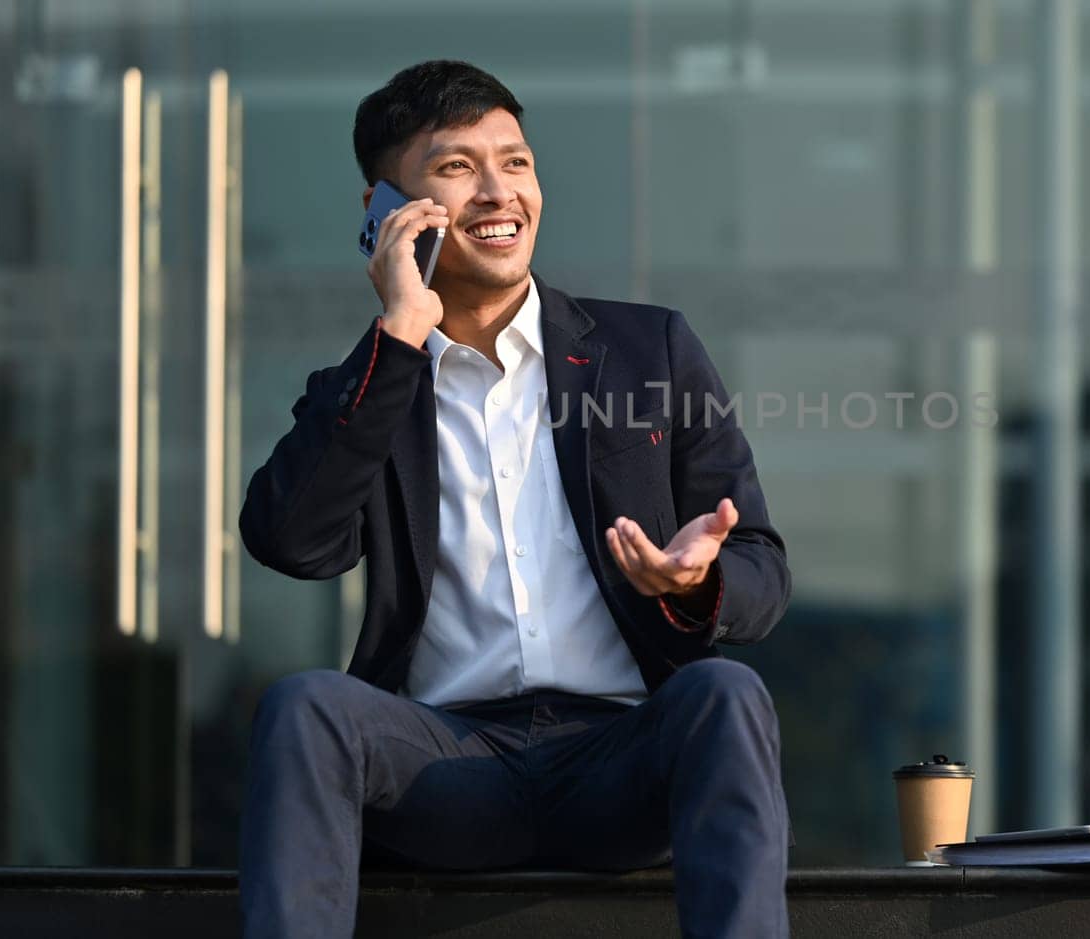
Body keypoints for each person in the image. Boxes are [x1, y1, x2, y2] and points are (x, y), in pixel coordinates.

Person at [237, 59, 792, 938]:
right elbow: (291, 541)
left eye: (517, 162)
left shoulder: (647, 349)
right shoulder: (369, 382)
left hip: (621, 756)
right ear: (385, 211)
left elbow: (762, 567)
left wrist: (696, 583)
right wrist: (398, 340)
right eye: (457, 168)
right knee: (307, 705)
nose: (500, 192)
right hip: (445, 766)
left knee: (725, 693)